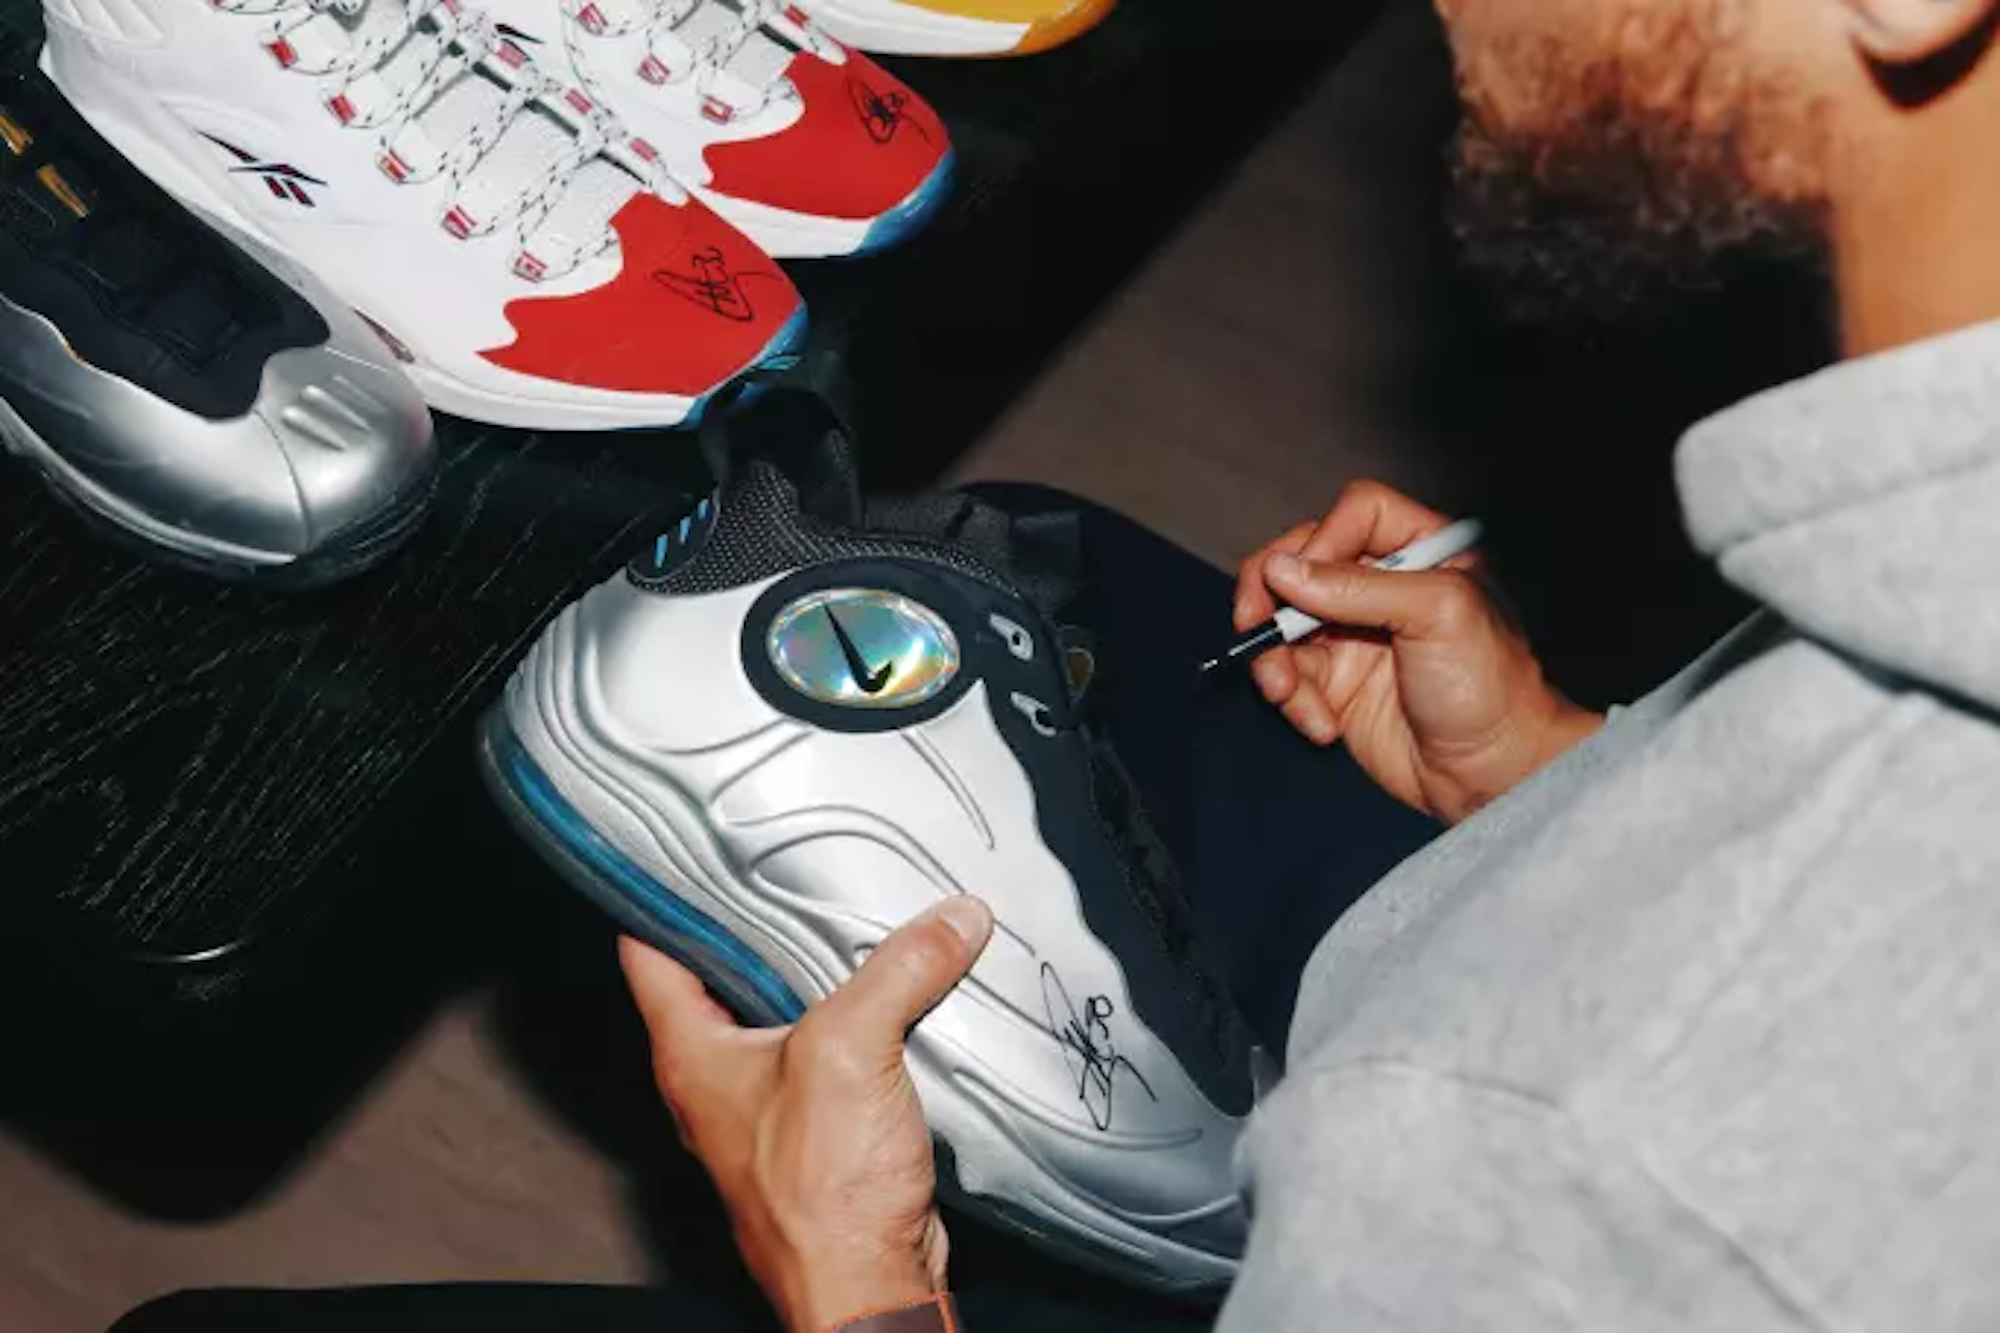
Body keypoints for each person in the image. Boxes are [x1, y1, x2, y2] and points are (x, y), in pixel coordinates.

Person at [116, 0, 2000, 1328]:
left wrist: (855, 1287)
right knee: (1045, 573)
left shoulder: (1541, 1153)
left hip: (1503, 1202)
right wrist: (1567, 780)